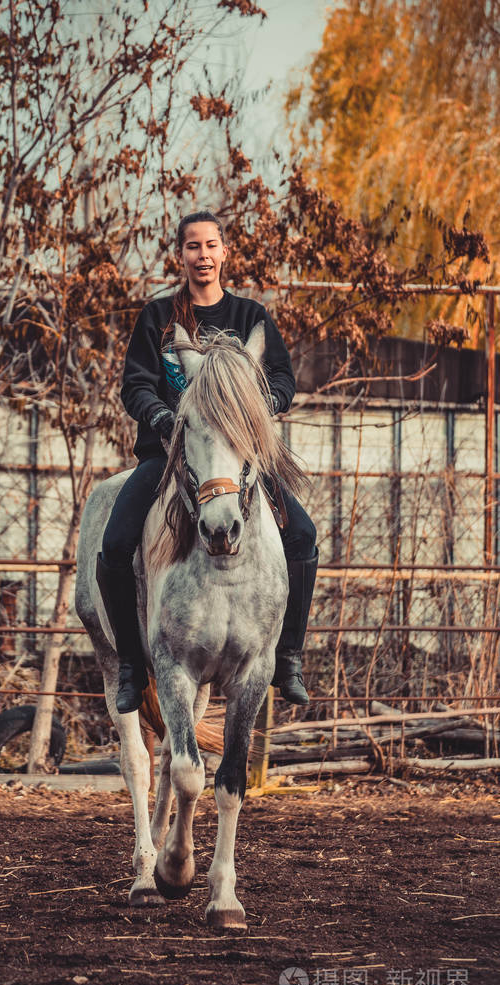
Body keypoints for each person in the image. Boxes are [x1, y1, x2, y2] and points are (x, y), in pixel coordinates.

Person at [96, 210, 318, 714]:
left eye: (211, 245)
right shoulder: (157, 318)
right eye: (193, 246)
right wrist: (159, 414)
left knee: (303, 536)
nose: (203, 255)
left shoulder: (250, 317)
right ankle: (130, 665)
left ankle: (288, 658)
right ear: (181, 255)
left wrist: (262, 406)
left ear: (224, 252)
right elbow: (135, 384)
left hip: (239, 459)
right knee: (115, 544)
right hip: (169, 456)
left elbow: (283, 378)